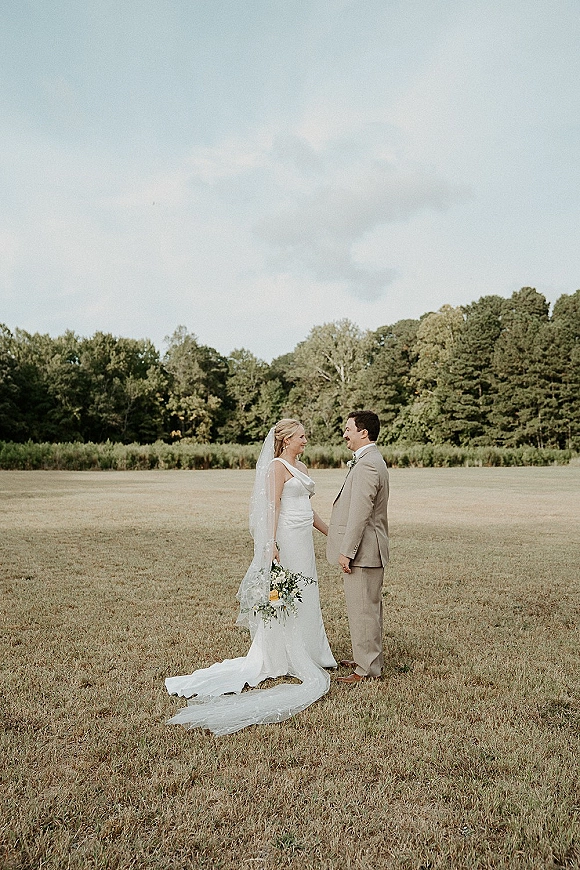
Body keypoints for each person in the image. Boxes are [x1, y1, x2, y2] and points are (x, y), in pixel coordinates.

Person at [165, 419, 336, 734]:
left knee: (307, 593)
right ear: (285, 440)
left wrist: (332, 534)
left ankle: (313, 650)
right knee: (284, 596)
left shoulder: (305, 469)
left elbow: (309, 512)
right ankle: (279, 654)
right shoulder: (275, 468)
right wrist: (271, 545)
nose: (306, 440)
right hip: (285, 538)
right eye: (301, 436)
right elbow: (271, 508)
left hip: (304, 540)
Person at [326, 410, 389, 683]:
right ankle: (365, 658)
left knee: (364, 609)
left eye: (348, 429)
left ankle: (367, 670)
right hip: (367, 550)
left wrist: (346, 551)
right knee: (364, 608)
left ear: (364, 432)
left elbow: (360, 513)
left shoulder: (367, 464)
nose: (344, 434)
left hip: (363, 551)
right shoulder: (371, 460)